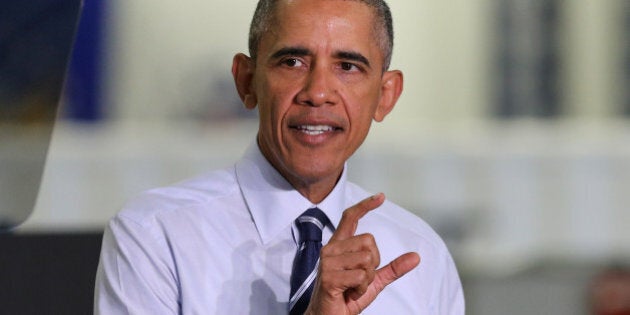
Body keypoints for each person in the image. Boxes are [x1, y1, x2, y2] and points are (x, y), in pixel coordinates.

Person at [94, 0, 465, 314]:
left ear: (386, 95)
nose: (318, 92)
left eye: (347, 66)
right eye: (292, 62)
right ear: (246, 80)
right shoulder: (154, 236)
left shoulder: (421, 256)